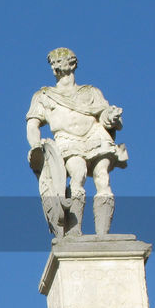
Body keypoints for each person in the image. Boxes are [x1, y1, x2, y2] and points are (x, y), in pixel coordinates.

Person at [25, 47, 127, 237]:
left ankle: (103, 235)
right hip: (67, 139)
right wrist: (36, 146)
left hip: (95, 135)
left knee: (102, 177)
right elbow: (33, 124)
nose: (55, 64)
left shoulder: (90, 92)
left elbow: (104, 114)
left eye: (60, 59)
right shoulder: (44, 96)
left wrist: (111, 117)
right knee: (77, 175)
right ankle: (74, 231)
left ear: (72, 63)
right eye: (53, 62)